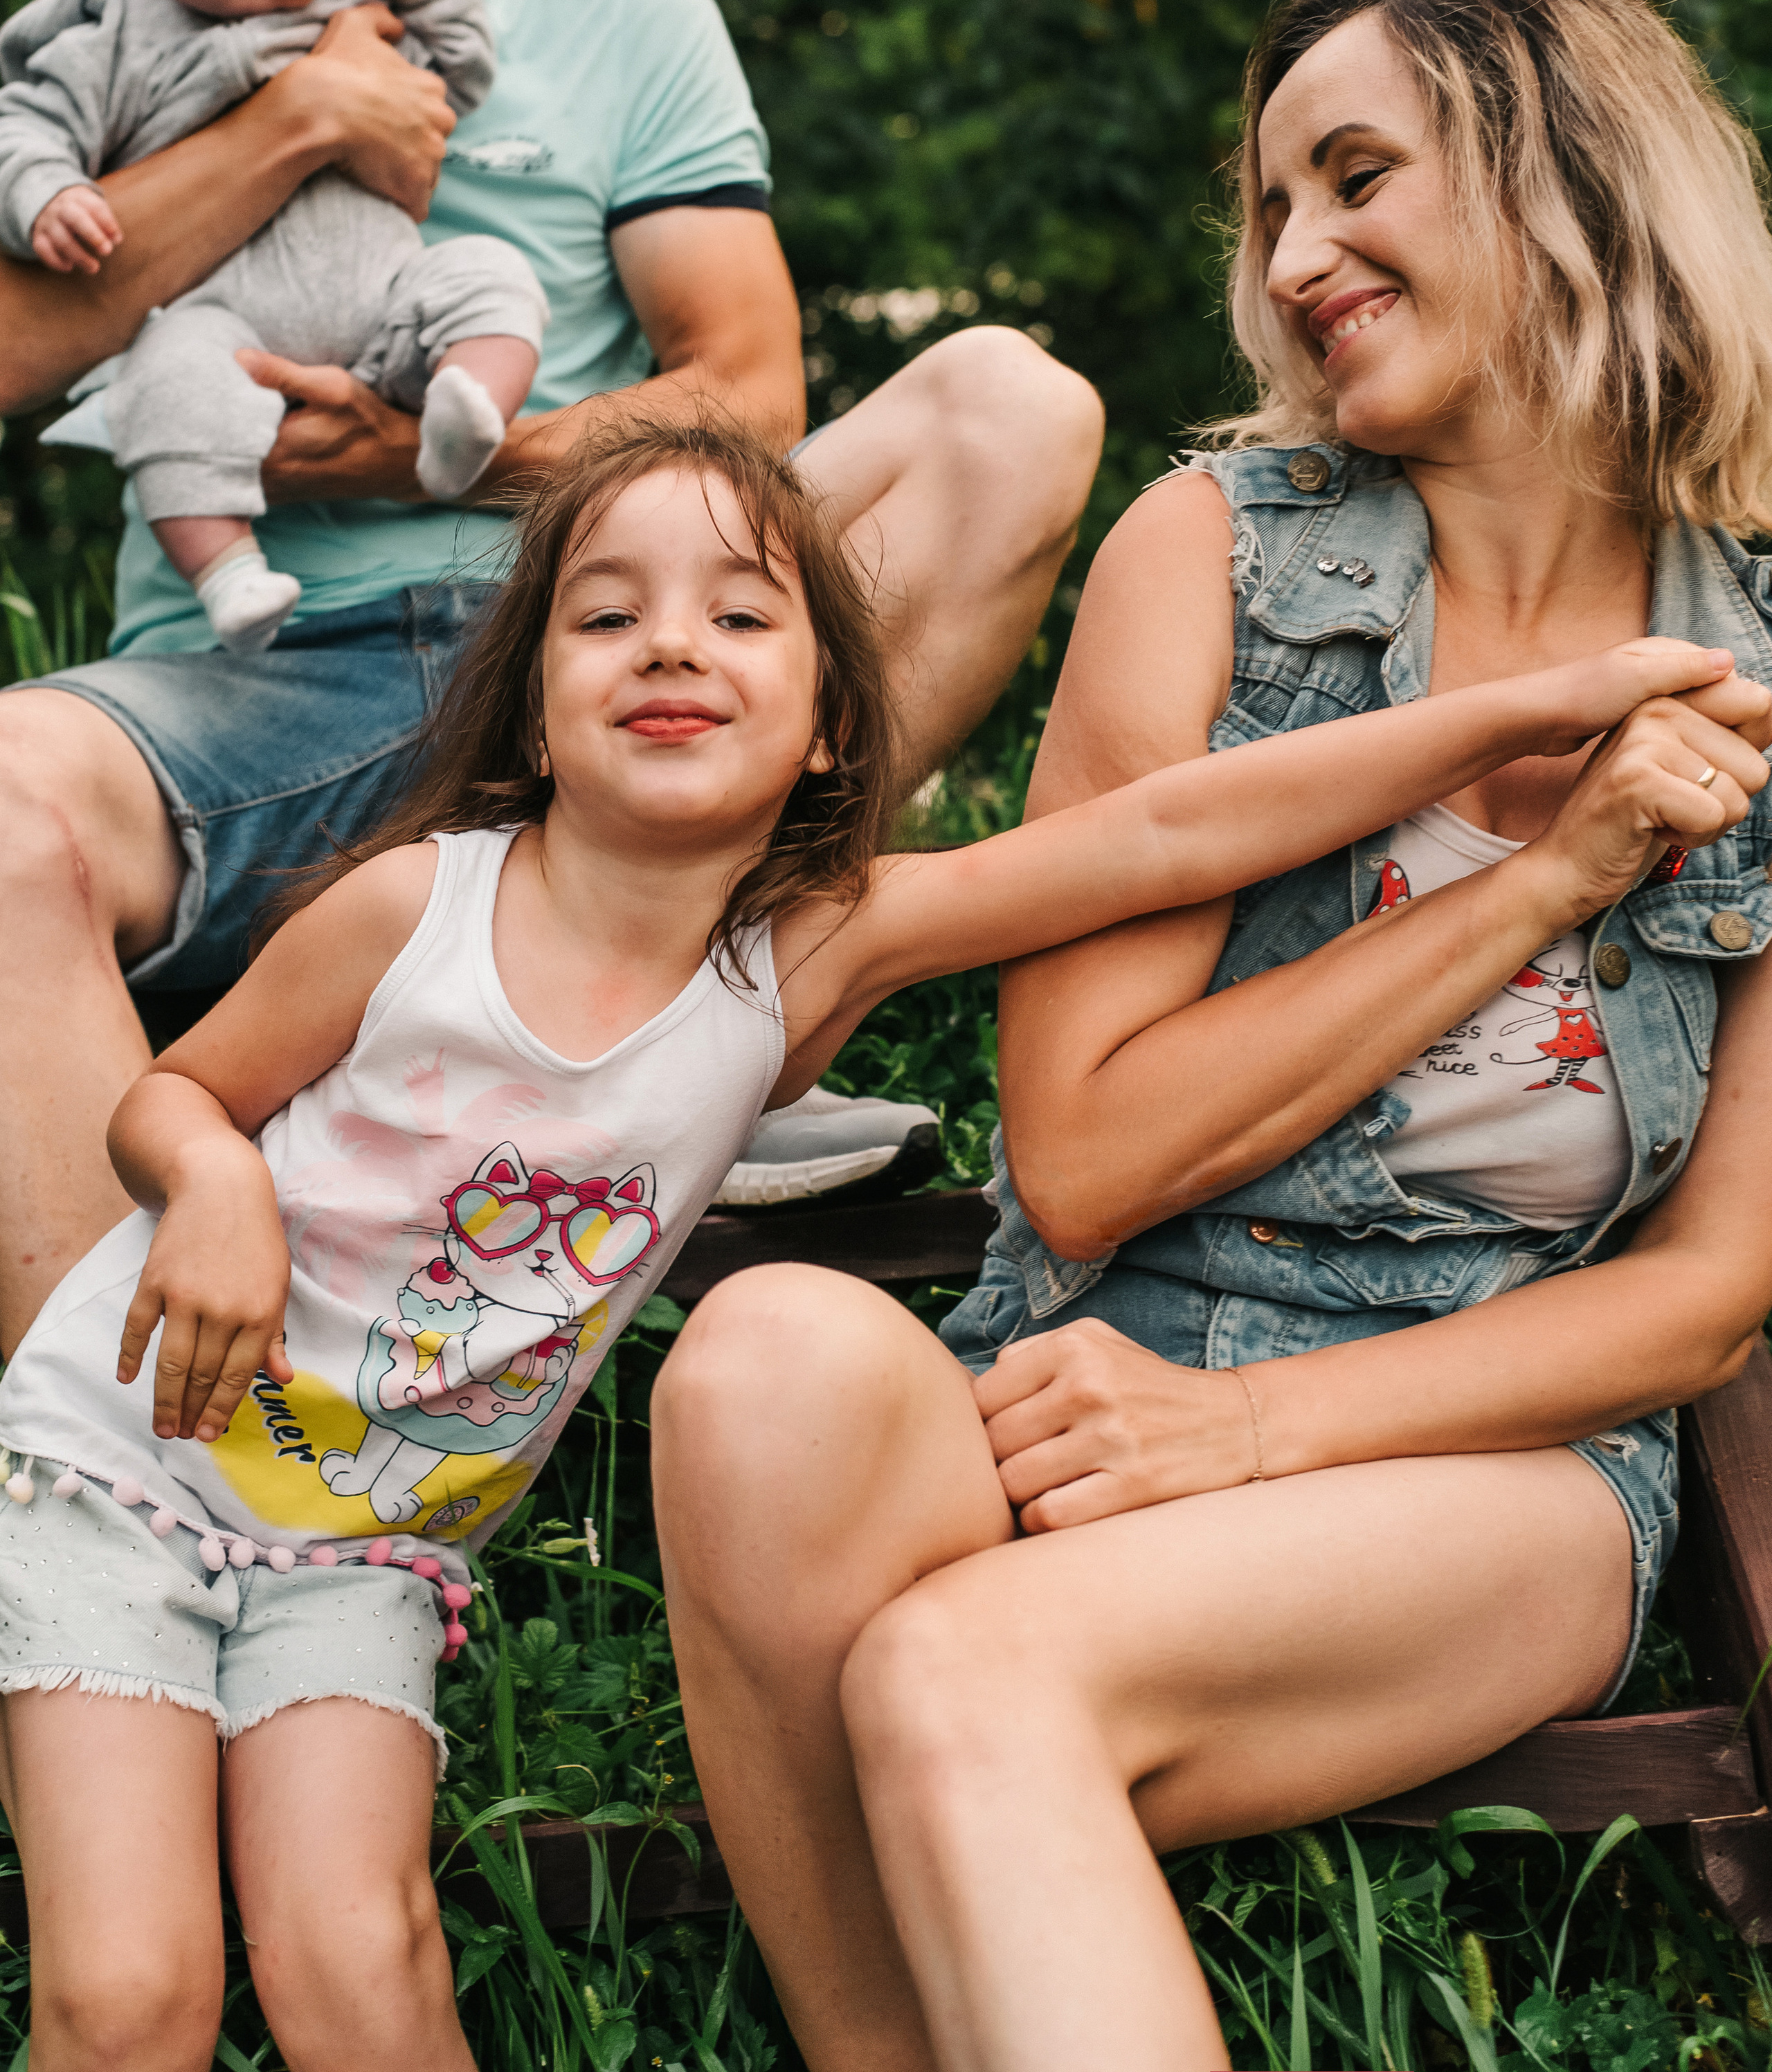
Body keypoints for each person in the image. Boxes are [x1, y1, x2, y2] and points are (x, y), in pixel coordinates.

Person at [0, 408, 1713, 2072]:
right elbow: (173, 1101)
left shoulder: (808, 951)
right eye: (607, 614)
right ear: (532, 706)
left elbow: (1167, 828)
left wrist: (1543, 708)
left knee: (362, 1972)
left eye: (740, 613)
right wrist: (214, 1183)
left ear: (828, 724)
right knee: (137, 1999)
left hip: (359, 1555)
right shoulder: (411, 909)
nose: (671, 644)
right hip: (122, 1465)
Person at [651, 0, 1772, 2072]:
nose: (1296, 256)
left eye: (1357, 178)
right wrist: (1547, 877)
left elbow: (1710, 1295)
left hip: (1484, 1448)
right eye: (1272, 207)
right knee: (764, 1357)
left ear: (1569, 180)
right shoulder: (1220, 553)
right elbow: (1084, 1146)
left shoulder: (1770, 649)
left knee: (968, 1670)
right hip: (1088, 1373)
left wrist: (1251, 1430)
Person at [0, 0, 1104, 1361]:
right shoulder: (112, 19)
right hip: (247, 685)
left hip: (589, 651)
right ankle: (106, 1453)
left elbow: (748, 393)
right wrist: (297, 120)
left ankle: (719, 1010)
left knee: (1011, 405)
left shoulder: (623, 14)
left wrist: (460, 452)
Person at [1, 0, 550, 650]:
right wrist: (45, 191)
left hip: (385, 314)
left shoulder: (357, 4)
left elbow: (466, 72)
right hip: (223, 330)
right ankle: (229, 575)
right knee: (165, 383)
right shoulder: (115, 32)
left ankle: (466, 411)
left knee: (489, 274)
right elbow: (23, 124)